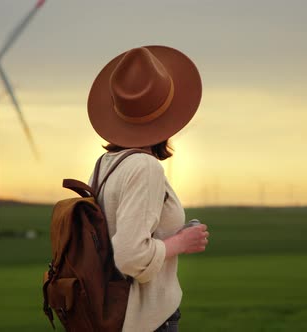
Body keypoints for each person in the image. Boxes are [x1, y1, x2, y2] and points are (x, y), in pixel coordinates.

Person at [87, 45, 209, 332]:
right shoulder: (145, 167)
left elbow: (122, 231)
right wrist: (181, 243)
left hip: (109, 314)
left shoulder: (106, 163)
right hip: (144, 321)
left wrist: (169, 235)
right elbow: (130, 256)